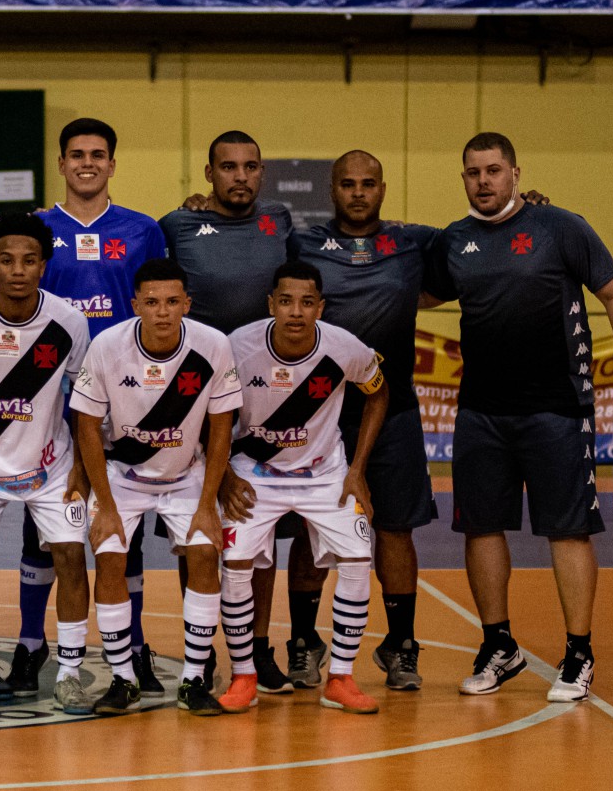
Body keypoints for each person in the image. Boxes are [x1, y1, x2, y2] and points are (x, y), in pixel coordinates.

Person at [425, 133, 613, 703]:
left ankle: (579, 652)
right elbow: (418, 295)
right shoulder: (454, 241)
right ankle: (498, 646)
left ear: (515, 174)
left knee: (568, 530)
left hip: (558, 407)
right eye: (473, 172)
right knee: (480, 527)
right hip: (481, 411)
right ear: (463, 178)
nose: (483, 181)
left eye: (493, 170)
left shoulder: (561, 227)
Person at [26, 117, 169, 696]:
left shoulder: (143, 230)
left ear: (112, 164)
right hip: (49, 396)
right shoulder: (37, 228)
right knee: (43, 529)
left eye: (98, 154)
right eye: (77, 154)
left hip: (125, 398)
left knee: (122, 531)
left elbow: (158, 304)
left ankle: (132, 647)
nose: (87, 163)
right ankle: (30, 646)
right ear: (61, 163)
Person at [285, 151, 440, 690]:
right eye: (348, 183)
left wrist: (525, 206)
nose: (358, 192)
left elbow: (481, 243)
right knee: (312, 524)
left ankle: (401, 645)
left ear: (383, 189)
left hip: (393, 410)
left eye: (368, 183)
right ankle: (303, 641)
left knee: (394, 527)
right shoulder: (300, 242)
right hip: (316, 413)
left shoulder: (414, 242)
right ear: (332, 189)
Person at [70, 258, 241, 718]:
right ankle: (123, 680)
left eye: (171, 301)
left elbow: (221, 427)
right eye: (151, 302)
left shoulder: (213, 345)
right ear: (135, 305)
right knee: (110, 557)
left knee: (204, 554)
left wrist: (208, 504)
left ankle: (193, 679)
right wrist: (106, 507)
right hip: (122, 477)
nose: (162, 311)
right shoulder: (107, 346)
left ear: (187, 303)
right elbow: (87, 427)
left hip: (186, 475)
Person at [217, 261, 390, 716]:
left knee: (358, 559)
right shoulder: (237, 346)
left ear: (321, 307)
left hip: (325, 473)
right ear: (270, 304)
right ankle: (243, 676)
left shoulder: (344, 347)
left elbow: (378, 392)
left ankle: (341, 678)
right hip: (254, 472)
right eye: (286, 301)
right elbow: (209, 410)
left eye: (307, 302)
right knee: (235, 564)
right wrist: (225, 476)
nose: (296, 312)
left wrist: (357, 469)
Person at [160, 131, 298, 690]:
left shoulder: (280, 221)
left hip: (264, 393)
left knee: (255, 527)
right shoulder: (178, 225)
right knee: (193, 528)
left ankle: (257, 648)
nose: (240, 176)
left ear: (262, 171)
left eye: (250, 167)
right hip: (191, 393)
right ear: (209, 174)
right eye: (228, 167)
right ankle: (200, 653)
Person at [0, 214, 91, 714]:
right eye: (6, 260)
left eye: (29, 260)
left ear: (44, 265)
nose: (18, 270)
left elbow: (82, 400)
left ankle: (69, 674)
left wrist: (81, 468)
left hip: (52, 465)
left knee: (70, 556)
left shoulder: (69, 322)